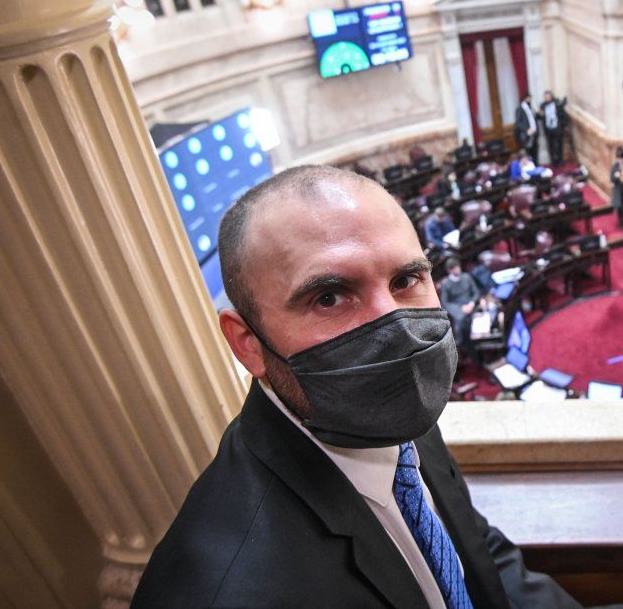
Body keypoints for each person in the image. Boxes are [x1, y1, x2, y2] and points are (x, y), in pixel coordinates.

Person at [132, 165, 582, 608]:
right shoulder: (223, 590)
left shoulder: (392, 404)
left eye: (406, 280)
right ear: (248, 343)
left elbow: (477, 554)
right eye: (329, 297)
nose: (399, 333)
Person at [440, 257, 483, 358]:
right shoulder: (445, 283)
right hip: (459, 312)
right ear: (449, 270)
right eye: (454, 268)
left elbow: (476, 292)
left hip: (472, 307)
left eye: (457, 267)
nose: (457, 270)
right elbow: (445, 302)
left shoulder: (467, 277)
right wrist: (460, 310)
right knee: (462, 331)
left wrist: (471, 304)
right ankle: (469, 353)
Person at [540, 91, 568, 166]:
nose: (547, 98)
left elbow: (562, 113)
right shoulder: (543, 105)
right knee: (551, 145)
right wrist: (540, 114)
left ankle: (560, 160)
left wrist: (564, 125)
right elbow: (541, 116)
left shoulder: (556, 103)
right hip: (548, 129)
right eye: (546, 97)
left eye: (548, 97)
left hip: (557, 127)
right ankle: (553, 161)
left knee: (559, 144)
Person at [514, 93, 539, 162]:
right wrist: (527, 130)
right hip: (526, 134)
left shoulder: (531, 108)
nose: (530, 100)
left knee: (535, 152)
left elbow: (533, 119)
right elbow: (518, 123)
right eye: (529, 98)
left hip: (534, 132)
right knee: (527, 153)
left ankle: (535, 165)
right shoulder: (520, 108)